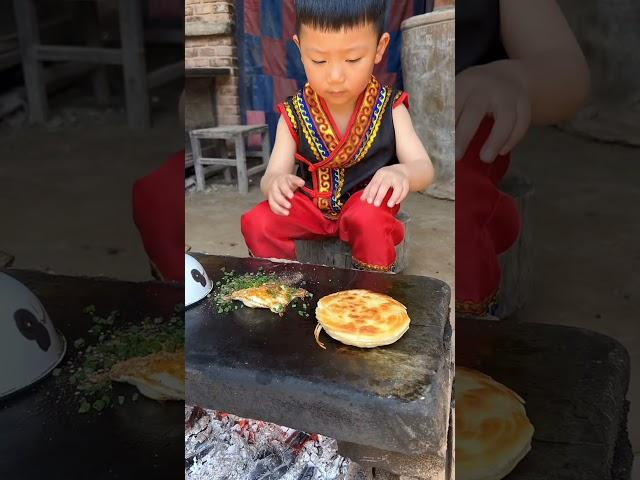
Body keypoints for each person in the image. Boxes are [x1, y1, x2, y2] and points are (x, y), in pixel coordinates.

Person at [240, 0, 434, 272]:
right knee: (258, 221)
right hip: (310, 209)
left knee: (369, 220)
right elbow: (270, 176)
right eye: (318, 60)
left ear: (379, 48)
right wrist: (276, 183)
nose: (335, 76)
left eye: (353, 59)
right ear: (299, 49)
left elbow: (423, 168)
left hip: (366, 205)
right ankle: (285, 288)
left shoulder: (391, 107)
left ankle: (369, 298)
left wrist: (403, 173)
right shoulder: (294, 112)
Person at [455, 0, 590, 315]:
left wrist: (515, 79)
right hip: (340, 127)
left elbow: (567, 71)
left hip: (458, 138)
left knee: (461, 213)